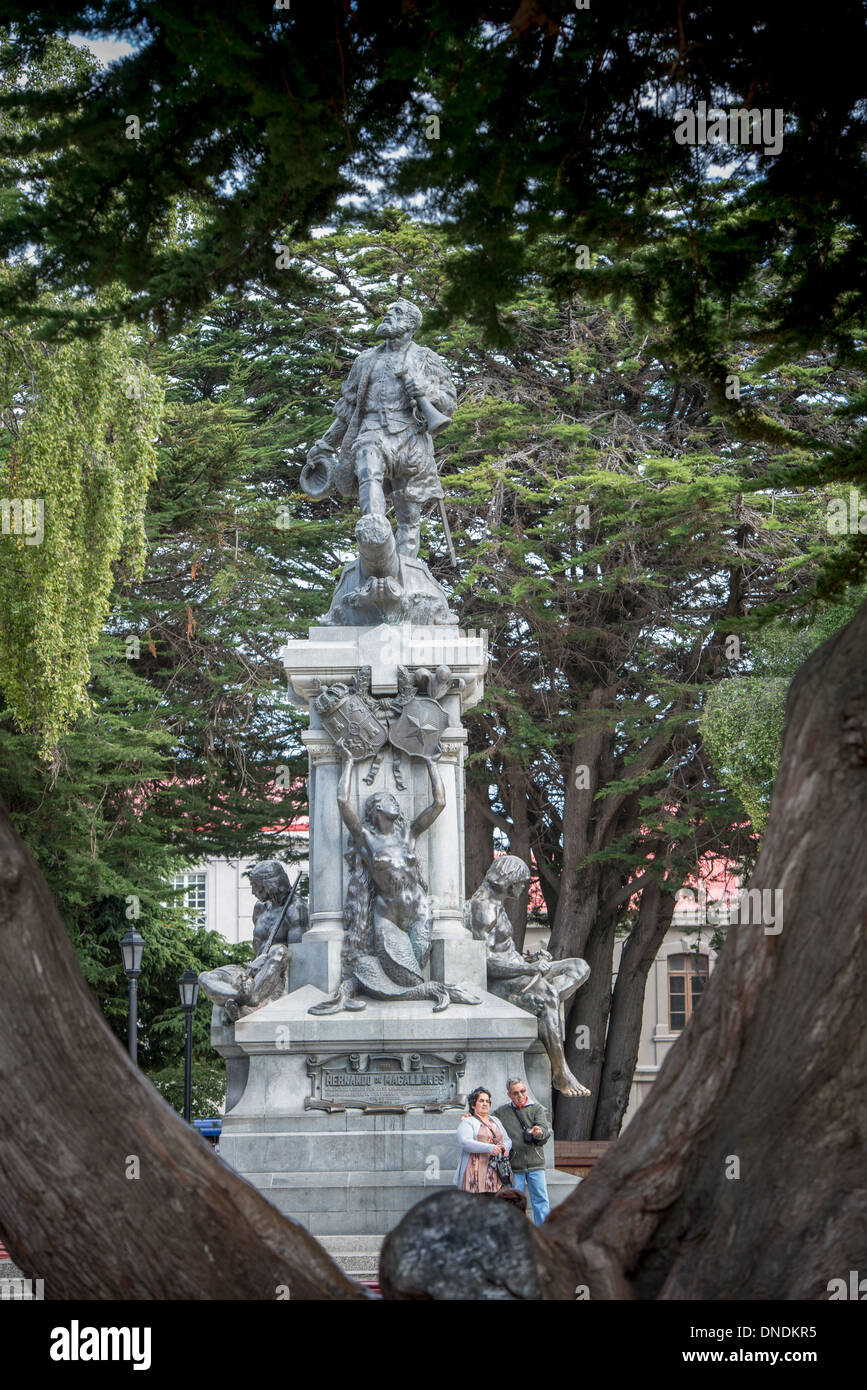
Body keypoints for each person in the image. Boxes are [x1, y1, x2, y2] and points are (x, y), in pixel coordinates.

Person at [303, 298, 456, 561]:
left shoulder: (425, 358)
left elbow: (449, 401)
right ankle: (374, 529)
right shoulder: (365, 360)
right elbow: (348, 409)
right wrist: (326, 443)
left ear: (410, 324)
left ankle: (406, 568)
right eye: (388, 311)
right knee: (367, 464)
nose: (387, 314)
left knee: (409, 515)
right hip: (373, 431)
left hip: (411, 440)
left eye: (395, 312)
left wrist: (426, 391)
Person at [494, 1078, 552, 1225]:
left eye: (522, 1091)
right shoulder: (502, 1112)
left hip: (536, 1163)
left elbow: (544, 1129)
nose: (520, 1095)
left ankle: (543, 1233)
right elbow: (486, 1119)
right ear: (509, 1095)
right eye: (516, 1093)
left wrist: (538, 1131)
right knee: (515, 1202)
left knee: (541, 1200)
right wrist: (470, 1116)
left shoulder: (536, 1108)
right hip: (515, 1166)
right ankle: (518, 1231)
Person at [454, 1086, 512, 1194]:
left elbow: (508, 1139)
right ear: (473, 1104)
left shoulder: (495, 1120)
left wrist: (505, 1146)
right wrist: (490, 1148)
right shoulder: (468, 1121)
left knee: (493, 1202)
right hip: (474, 1170)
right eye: (481, 1101)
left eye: (487, 1101)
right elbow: (465, 1142)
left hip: (495, 1170)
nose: (485, 1104)